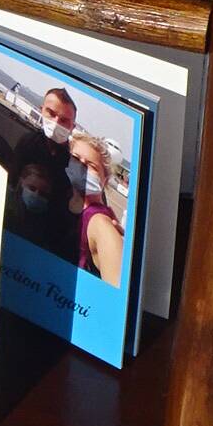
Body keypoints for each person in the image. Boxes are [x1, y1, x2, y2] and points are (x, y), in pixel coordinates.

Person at [25, 89, 126, 287]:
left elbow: (119, 292)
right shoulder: (63, 199)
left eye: (91, 166)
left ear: (105, 181)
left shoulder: (100, 223)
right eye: (76, 159)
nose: (80, 166)